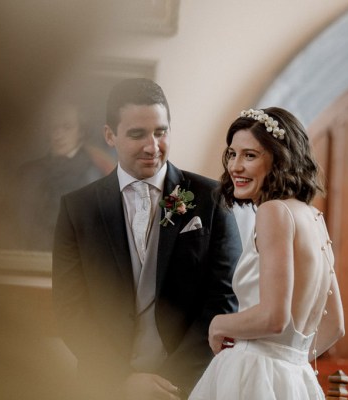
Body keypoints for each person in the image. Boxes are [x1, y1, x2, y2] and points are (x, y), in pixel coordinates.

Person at [52, 78, 242, 399]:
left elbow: (224, 301)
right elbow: (70, 308)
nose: (152, 146)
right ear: (109, 135)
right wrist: (123, 380)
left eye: (161, 131)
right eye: (137, 134)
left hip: (189, 386)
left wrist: (171, 381)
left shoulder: (212, 199)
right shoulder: (77, 208)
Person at [189, 107, 345, 399]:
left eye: (250, 155)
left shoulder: (274, 212)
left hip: (251, 374)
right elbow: (335, 325)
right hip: (296, 378)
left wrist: (218, 324)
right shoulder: (313, 217)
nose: (235, 166)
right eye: (232, 154)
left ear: (280, 160)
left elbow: (275, 318)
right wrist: (289, 361)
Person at [16, 101, 114, 251]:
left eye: (67, 127)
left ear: (81, 131)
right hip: (31, 255)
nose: (58, 134)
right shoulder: (28, 172)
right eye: (53, 127)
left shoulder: (98, 172)